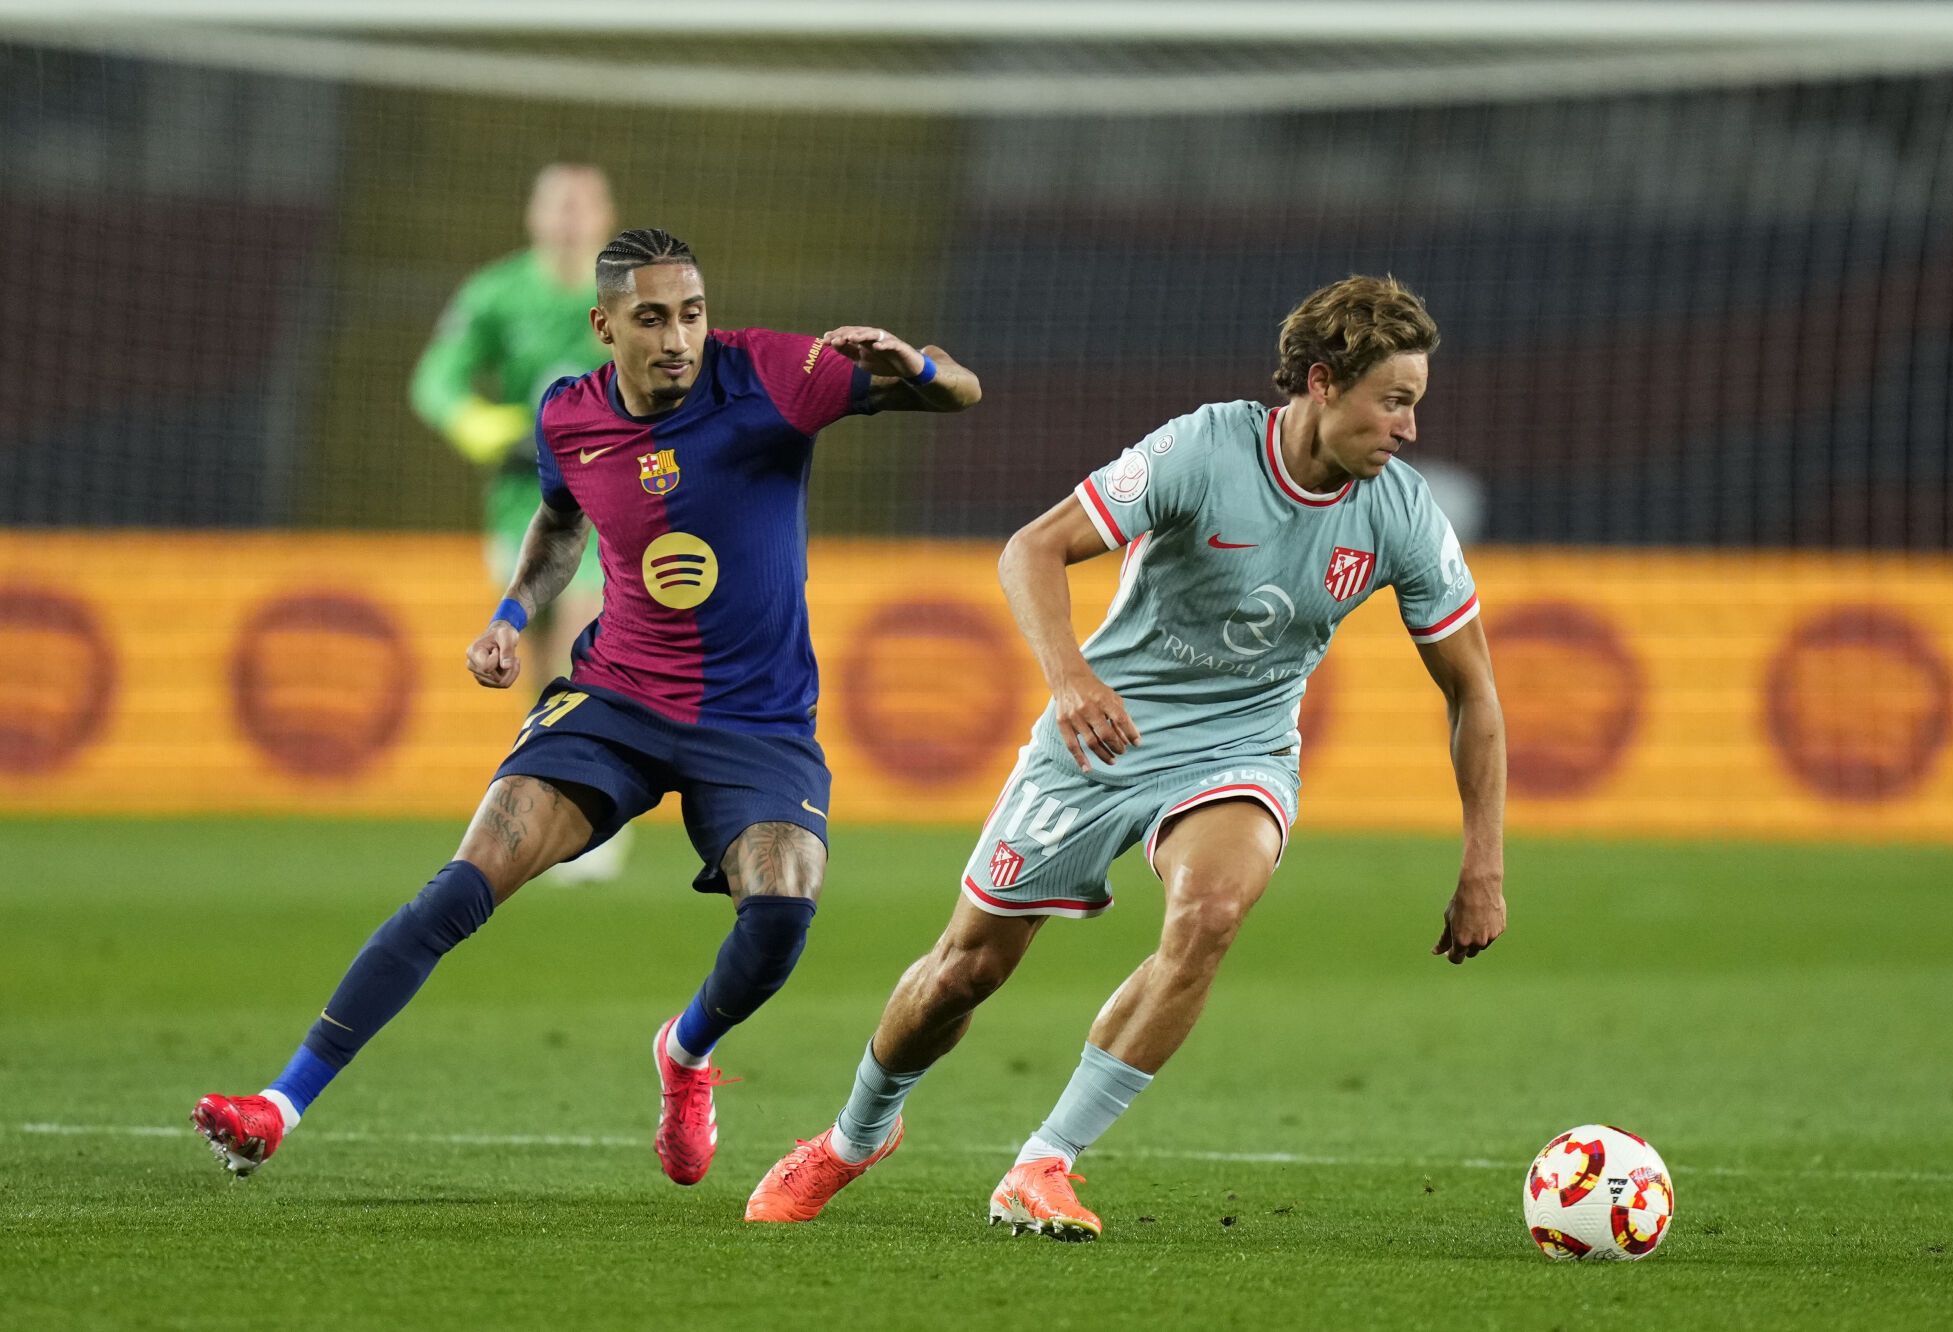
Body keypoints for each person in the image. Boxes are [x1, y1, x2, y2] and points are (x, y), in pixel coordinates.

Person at [193, 228, 982, 1187]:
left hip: (758, 722)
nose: (678, 338)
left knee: (780, 913)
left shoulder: (772, 371)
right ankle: (278, 1105)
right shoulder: (568, 416)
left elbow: (957, 394)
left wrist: (925, 365)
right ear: (604, 326)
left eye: (691, 313)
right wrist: (511, 615)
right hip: (617, 698)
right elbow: (561, 518)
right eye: (652, 318)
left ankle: (686, 1056)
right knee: (462, 881)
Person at [744, 276, 1506, 1240]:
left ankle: (1045, 1161)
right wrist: (1069, 680)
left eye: (1415, 405)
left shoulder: (1400, 513)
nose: (1408, 428)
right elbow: (1031, 549)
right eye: (1393, 401)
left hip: (1240, 746)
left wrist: (1483, 863)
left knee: (1213, 910)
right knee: (964, 971)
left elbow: (1473, 691)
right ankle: (854, 1138)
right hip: (1101, 733)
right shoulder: (1205, 450)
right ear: (1322, 383)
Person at [410, 163, 629, 883]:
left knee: (581, 630)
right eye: (557, 205)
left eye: (581, 205)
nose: (568, 218)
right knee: (531, 659)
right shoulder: (495, 294)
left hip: (610, 499)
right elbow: (435, 379)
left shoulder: (631, 297)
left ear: (603, 216)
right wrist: (480, 425)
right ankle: (543, 799)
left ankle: (586, 814)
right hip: (522, 501)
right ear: (534, 216)